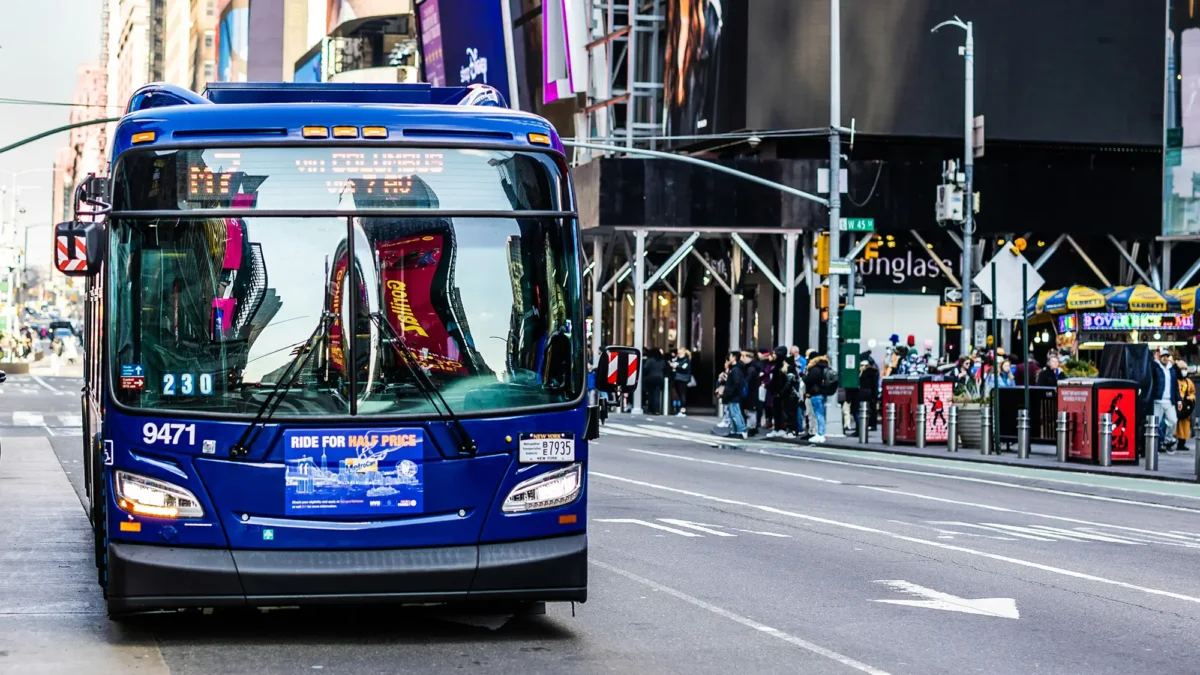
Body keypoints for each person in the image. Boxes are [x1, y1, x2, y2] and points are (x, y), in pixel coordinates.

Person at [1151, 348, 1182, 453]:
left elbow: (1176, 386)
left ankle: (1167, 441)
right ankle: (1155, 444)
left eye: (1166, 356)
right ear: (1160, 357)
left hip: (1169, 401)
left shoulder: (1172, 370)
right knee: (1156, 424)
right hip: (1158, 400)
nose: (1165, 358)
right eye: (1163, 356)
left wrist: (1179, 401)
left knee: (1173, 421)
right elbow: (1150, 368)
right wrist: (1155, 360)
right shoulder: (1156, 367)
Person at [766, 347, 800, 438]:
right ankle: (779, 428)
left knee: (789, 412)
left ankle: (791, 430)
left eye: (775, 354)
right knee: (777, 411)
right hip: (778, 392)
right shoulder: (777, 365)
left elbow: (789, 381)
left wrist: (781, 392)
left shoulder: (788, 365)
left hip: (788, 393)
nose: (773, 356)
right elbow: (775, 379)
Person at [803, 352, 835, 443]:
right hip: (821, 393)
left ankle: (820, 434)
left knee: (818, 415)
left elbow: (809, 380)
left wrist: (804, 377)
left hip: (815, 394)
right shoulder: (824, 367)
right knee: (819, 414)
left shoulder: (815, 369)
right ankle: (820, 433)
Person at [719, 351, 748, 439]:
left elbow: (737, 383)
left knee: (736, 413)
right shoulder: (734, 369)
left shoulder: (735, 370)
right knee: (733, 414)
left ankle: (741, 431)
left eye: (730, 356)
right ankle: (735, 430)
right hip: (732, 395)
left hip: (734, 395)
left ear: (734, 358)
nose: (729, 358)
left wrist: (730, 391)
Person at [1176, 361, 1195, 453]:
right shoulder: (1175, 380)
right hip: (1176, 405)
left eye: (1185, 369)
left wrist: (1189, 398)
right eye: (1182, 369)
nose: (1184, 371)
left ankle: (1182, 443)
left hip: (1185, 406)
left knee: (1185, 425)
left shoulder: (1188, 382)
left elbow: (1193, 393)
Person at [858, 356, 880, 431]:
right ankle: (872, 425)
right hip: (872, 393)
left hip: (867, 393)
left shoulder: (865, 373)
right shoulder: (874, 372)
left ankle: (870, 424)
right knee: (872, 409)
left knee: (868, 410)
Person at [669, 348, 692, 416]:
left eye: (680, 354)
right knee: (678, 394)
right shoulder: (678, 359)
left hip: (683, 379)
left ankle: (682, 409)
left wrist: (676, 366)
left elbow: (684, 368)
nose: (679, 355)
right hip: (677, 378)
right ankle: (679, 409)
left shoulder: (686, 360)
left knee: (682, 394)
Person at [642, 348, 665, 415]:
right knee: (656, 394)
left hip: (651, 378)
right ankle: (656, 409)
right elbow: (664, 368)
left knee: (650, 394)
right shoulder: (662, 360)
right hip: (659, 378)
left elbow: (645, 368)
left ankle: (651, 409)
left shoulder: (650, 360)